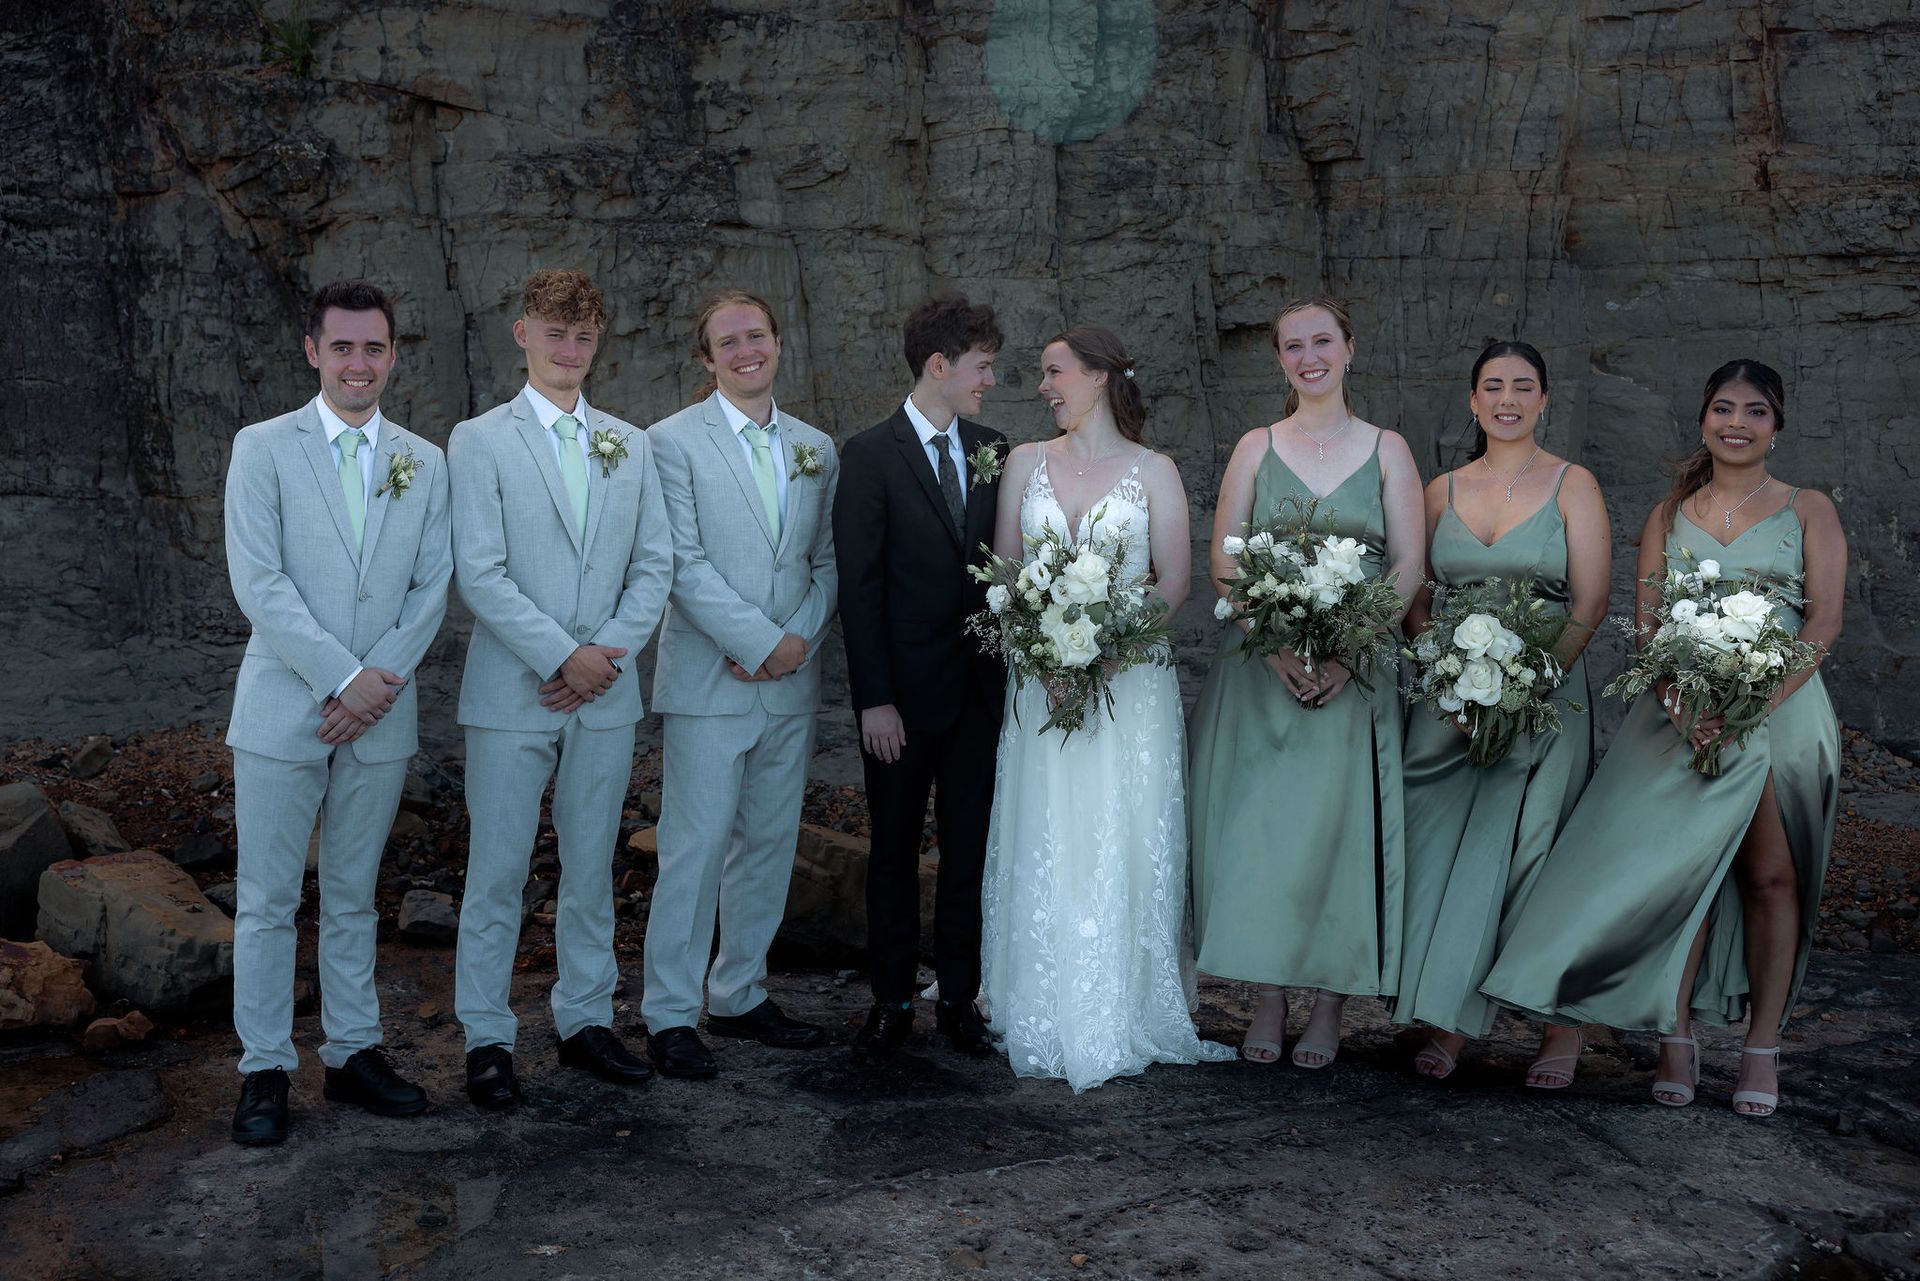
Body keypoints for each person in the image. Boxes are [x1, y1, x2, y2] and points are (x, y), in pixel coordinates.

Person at [1482, 359, 1845, 1117]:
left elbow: (1823, 622)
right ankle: (1675, 1042)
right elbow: (1647, 627)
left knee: (1771, 878)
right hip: (1680, 714)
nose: (1737, 423)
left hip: (1781, 712)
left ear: (1777, 425)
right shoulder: (1668, 512)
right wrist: (1681, 703)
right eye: (1723, 408)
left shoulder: (1808, 508)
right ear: (1703, 418)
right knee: (1681, 878)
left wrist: (1756, 701)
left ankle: (1761, 1046)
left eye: (1754, 411)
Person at [224, 280, 451, 1144]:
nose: (361, 363)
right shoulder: (262, 447)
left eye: (375, 348)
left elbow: (433, 584)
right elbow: (260, 581)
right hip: (287, 704)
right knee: (268, 897)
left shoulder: (424, 461)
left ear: (393, 356)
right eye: (344, 347)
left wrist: (377, 681)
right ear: (313, 351)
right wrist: (339, 678)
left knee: (355, 894)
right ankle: (264, 1067)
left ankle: (353, 1051)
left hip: (382, 711)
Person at [980, 325, 1234, 1092]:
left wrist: (1104, 653)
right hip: (1042, 681)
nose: (1045, 387)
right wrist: (1050, 655)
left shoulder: (1153, 469)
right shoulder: (1024, 463)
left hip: (1130, 682)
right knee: (1049, 826)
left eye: (1055, 371)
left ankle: (1127, 1002)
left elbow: (1175, 581)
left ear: (1097, 376)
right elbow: (1006, 576)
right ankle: (1040, 1002)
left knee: (1123, 827)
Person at [450, 269, 674, 1108]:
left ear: (597, 342)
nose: (569, 350)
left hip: (607, 691)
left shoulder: (631, 441)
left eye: (583, 336)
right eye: (555, 333)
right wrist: (561, 656)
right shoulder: (478, 440)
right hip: (515, 692)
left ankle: (584, 1020)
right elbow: (480, 569)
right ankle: (485, 1035)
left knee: (591, 865)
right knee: (498, 868)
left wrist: (605, 656)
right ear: (523, 333)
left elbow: (654, 564)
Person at [1186, 296, 1424, 1069]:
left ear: (1350, 348)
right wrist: (1273, 643)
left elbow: (1408, 566)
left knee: (1337, 835)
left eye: (1323, 340)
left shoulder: (1388, 449)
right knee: (1262, 835)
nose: (1309, 355)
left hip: (1354, 674)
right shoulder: (1257, 445)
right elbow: (1225, 559)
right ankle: (1266, 994)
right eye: (1293, 345)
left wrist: (1351, 648)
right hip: (1265, 674)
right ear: (1281, 359)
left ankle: (1328, 1003)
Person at [1389, 341, 1609, 1085]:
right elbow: (1414, 603)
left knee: (1538, 855)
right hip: (1449, 701)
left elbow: (1590, 603)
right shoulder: (1438, 489)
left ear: (1545, 399)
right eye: (1493, 386)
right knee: (1444, 850)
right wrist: (1451, 676)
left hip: (1544, 698)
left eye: (1523, 386)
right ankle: (1450, 1017)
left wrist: (1530, 684)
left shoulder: (1573, 484)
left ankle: (1559, 1029)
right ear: (1473, 400)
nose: (1508, 398)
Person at [641, 288, 840, 1079]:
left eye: (756, 335)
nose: (744, 350)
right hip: (709, 678)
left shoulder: (818, 447)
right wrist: (757, 642)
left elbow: (827, 562)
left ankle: (740, 990)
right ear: (706, 357)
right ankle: (668, 1010)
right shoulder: (670, 442)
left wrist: (793, 644)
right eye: (728, 342)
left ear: (778, 343)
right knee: (692, 847)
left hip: (792, 676)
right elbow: (680, 562)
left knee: (768, 842)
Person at [834, 295, 1008, 1060]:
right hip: (898, 702)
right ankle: (893, 997)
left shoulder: (995, 448)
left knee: (970, 849)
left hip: (978, 696)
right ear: (940, 366)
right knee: (895, 851)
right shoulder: (868, 455)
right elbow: (859, 587)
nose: (991, 381)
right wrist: (874, 697)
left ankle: (960, 999)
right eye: (982, 367)